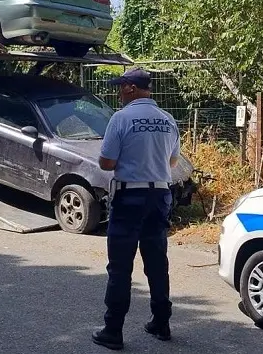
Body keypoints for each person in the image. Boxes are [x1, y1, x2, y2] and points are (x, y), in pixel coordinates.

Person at [92, 67, 180, 350]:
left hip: (130, 198)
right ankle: (161, 322)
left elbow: (106, 163)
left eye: (121, 87)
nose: (119, 92)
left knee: (120, 266)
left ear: (131, 87)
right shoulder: (168, 120)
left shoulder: (121, 118)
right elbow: (173, 163)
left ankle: (113, 330)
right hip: (160, 197)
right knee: (157, 262)